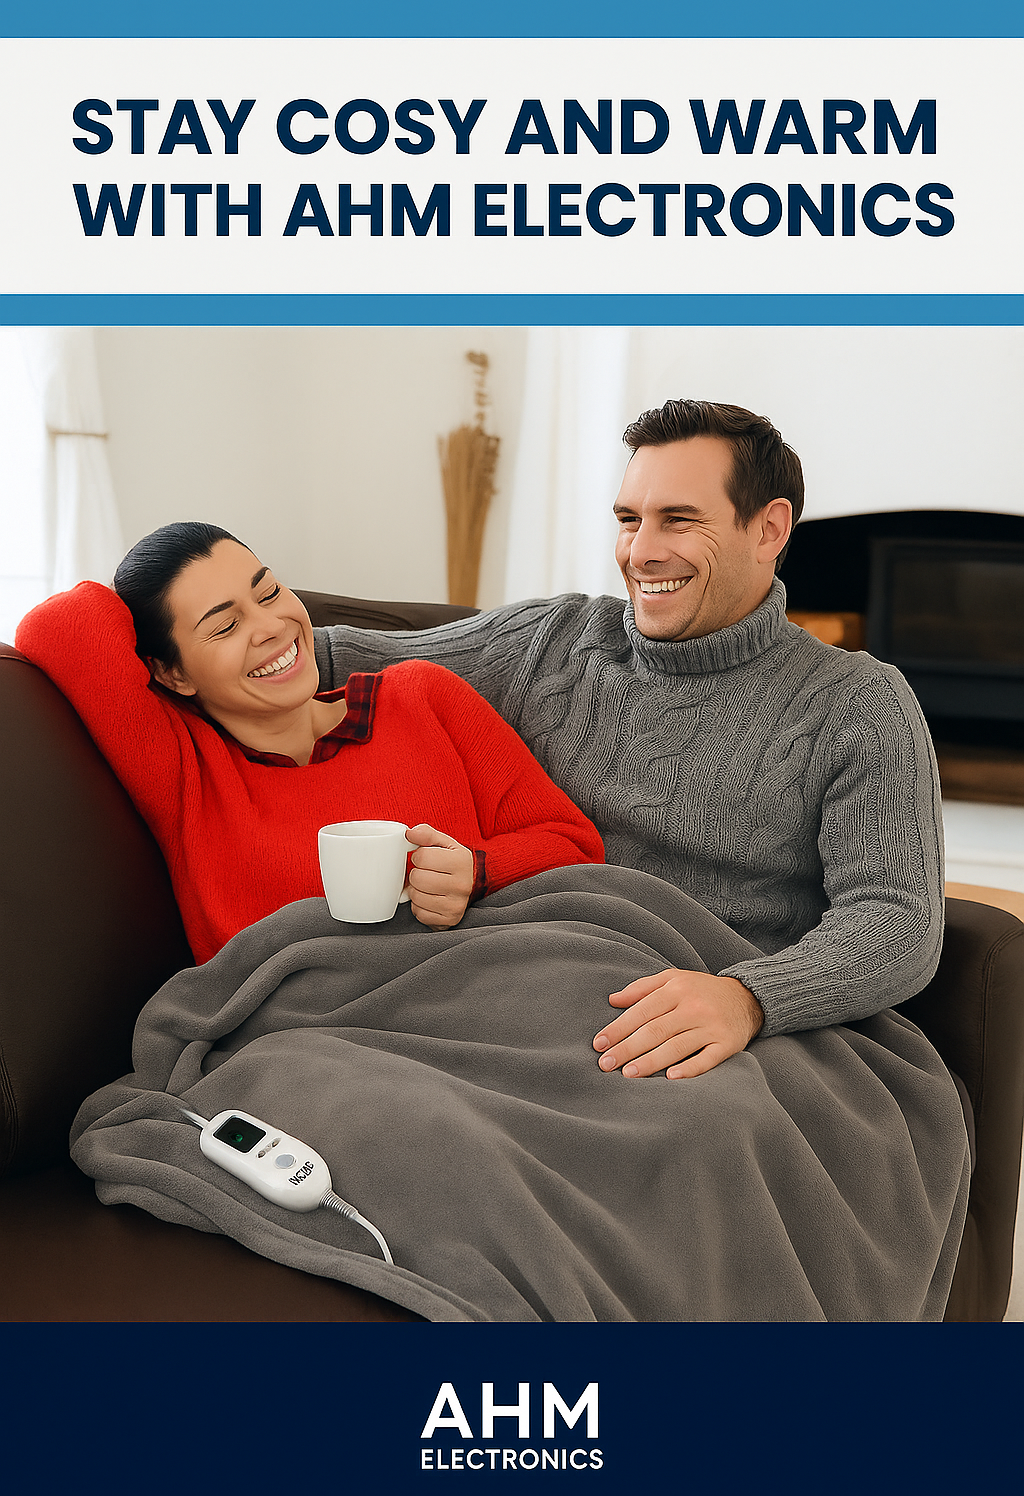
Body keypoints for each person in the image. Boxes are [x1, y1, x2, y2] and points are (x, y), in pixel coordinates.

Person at [314, 398, 946, 1079]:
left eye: (679, 520)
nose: (640, 552)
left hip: (698, 1034)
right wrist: (238, 616)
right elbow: (337, 659)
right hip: (515, 995)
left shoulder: (857, 703)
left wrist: (748, 999)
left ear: (768, 530)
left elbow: (898, 921)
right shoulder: (553, 641)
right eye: (628, 520)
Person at [15, 523, 604, 965]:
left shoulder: (422, 696)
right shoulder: (183, 768)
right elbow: (56, 627)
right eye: (225, 626)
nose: (271, 627)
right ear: (172, 674)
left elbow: (574, 843)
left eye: (269, 592)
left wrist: (477, 870)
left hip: (478, 986)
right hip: (312, 1042)